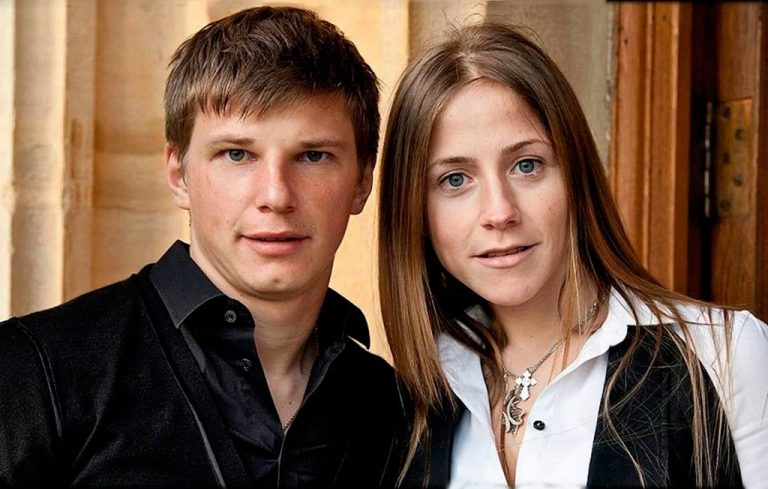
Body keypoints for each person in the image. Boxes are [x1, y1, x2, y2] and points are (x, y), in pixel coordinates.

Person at [0, 6, 406, 488]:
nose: (276, 195)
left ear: (362, 181)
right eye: (237, 154)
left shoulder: (395, 413)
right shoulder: (30, 370)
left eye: (313, 156)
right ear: (179, 174)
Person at [379, 23, 768, 488]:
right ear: (415, 211)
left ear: (575, 174)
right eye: (455, 180)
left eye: (527, 165)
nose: (499, 212)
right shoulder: (412, 398)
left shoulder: (725, 354)